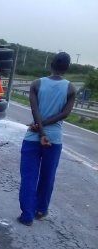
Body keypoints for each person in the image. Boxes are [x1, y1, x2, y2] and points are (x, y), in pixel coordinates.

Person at [17, 52, 76, 226]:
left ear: (51, 64)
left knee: (28, 176)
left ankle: (27, 215)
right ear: (67, 68)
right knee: (48, 176)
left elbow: (35, 110)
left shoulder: (36, 83)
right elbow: (64, 114)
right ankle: (41, 210)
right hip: (54, 139)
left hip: (32, 137)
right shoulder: (71, 88)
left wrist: (39, 128)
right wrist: (45, 130)